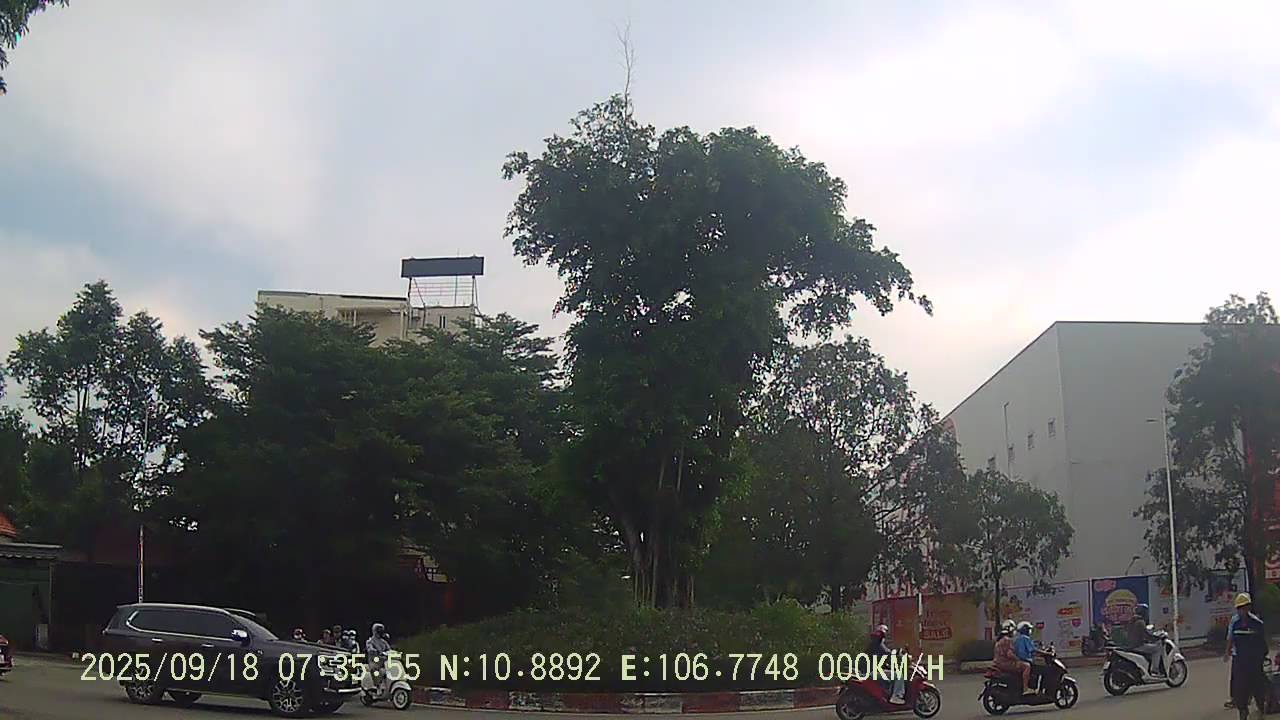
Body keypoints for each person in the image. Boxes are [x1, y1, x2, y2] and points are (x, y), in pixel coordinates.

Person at [1226, 593, 1267, 720]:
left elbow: (1263, 645)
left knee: (1258, 688)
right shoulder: (1235, 623)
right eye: (1239, 608)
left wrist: (1260, 659)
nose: (1241, 611)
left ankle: (1261, 709)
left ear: (1248, 607)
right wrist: (1227, 652)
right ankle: (1243, 711)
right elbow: (1231, 639)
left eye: (1244, 608)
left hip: (1254, 663)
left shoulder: (1257, 624)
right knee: (1240, 689)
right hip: (1240, 662)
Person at [866, 624, 905, 704]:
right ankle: (896, 696)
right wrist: (898, 652)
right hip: (873, 671)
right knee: (898, 675)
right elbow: (888, 653)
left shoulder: (873, 644)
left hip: (870, 670)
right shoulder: (878, 644)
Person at [993, 620, 1033, 695]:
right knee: (1027, 666)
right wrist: (1018, 660)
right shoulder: (1007, 640)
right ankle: (1025, 689)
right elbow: (1009, 654)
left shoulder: (999, 640)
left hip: (998, 663)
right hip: (1005, 663)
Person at [1125, 604, 1162, 675]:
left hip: (1131, 644)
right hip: (1138, 645)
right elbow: (1147, 636)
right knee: (1157, 649)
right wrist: (1157, 638)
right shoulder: (1140, 622)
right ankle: (1155, 670)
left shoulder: (1132, 621)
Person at [1013, 622, 1038, 692]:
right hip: (1024, 660)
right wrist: (1046, 653)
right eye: (1029, 629)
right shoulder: (1025, 638)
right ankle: (1026, 688)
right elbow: (1033, 650)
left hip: (1020, 660)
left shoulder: (1018, 638)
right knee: (1030, 667)